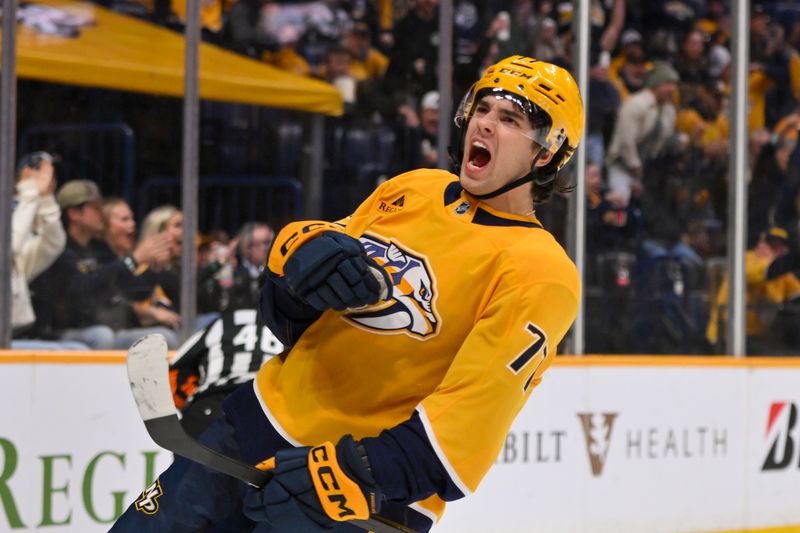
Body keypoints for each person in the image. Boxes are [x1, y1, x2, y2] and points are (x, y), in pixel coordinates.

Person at [112, 55, 584, 532]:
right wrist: (295, 262)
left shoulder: (540, 272)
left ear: (545, 154)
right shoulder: (413, 188)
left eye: (509, 120)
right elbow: (299, 320)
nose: (484, 125)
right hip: (257, 422)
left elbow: (467, 421)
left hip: (362, 497)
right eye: (481, 110)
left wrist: (357, 472)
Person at [28, 180, 171, 349]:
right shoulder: (59, 248)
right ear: (74, 213)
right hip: (61, 332)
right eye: (95, 208)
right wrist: (133, 260)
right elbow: (80, 290)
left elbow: (130, 290)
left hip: (103, 329)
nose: (102, 214)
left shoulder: (99, 248)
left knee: (165, 337)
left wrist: (154, 266)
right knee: (101, 336)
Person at [170, 305, 285, 438]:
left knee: (192, 449)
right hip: (268, 409)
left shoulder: (219, 324)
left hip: (213, 404)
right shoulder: (285, 329)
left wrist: (186, 399)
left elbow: (176, 369)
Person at [9, 151, 75, 349]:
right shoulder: (15, 210)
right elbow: (9, 248)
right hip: (10, 335)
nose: (49, 181)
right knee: (64, 352)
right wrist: (29, 191)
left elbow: (53, 244)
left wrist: (45, 198)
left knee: (73, 350)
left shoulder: (33, 207)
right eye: (42, 175)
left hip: (18, 331)